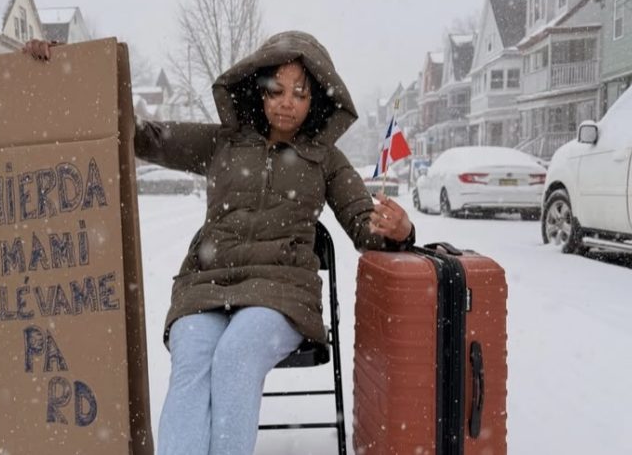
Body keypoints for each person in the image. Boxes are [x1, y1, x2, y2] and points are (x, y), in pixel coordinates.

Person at [24, 31, 415, 455]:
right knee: (192, 360)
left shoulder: (326, 160)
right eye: (277, 90)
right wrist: (75, 74)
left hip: (280, 293)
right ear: (259, 90)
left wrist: (399, 230)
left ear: (314, 100)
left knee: (234, 357)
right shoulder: (223, 142)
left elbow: (364, 226)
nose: (287, 102)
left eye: (299, 94)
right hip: (206, 285)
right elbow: (140, 135)